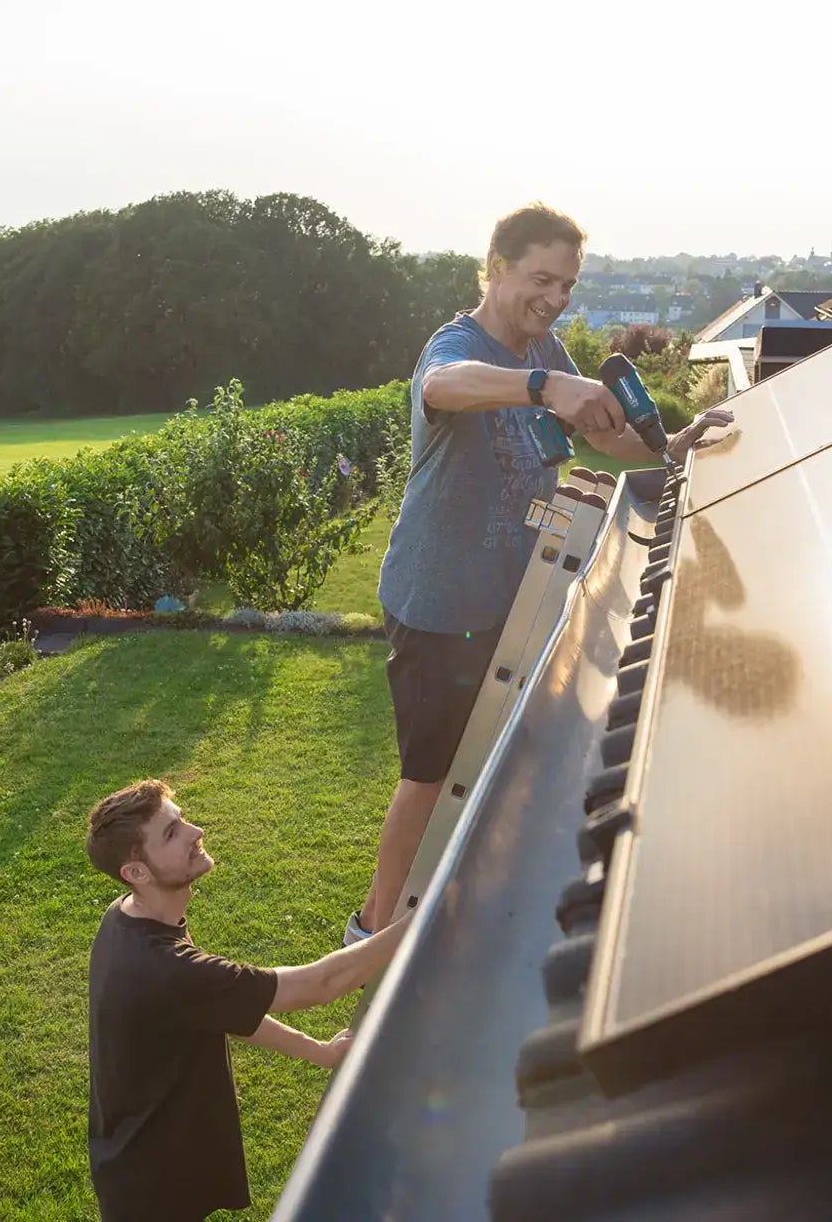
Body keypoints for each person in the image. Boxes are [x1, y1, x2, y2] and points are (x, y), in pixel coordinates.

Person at [349, 203, 733, 940]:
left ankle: (471, 904)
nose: (557, 299)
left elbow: (605, 435)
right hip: (438, 602)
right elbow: (443, 387)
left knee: (503, 761)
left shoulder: (547, 350)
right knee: (430, 777)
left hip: (516, 599)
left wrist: (674, 445)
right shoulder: (458, 345)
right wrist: (541, 389)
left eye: (568, 284)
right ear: (496, 267)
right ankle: (369, 934)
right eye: (542, 279)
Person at [85, 778, 409, 1222]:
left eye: (181, 821)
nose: (196, 831)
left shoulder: (127, 916)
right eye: (172, 834)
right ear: (135, 872)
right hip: (152, 1183)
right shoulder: (170, 970)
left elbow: (226, 1011)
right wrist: (418, 922)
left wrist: (320, 1052)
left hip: (143, 1156)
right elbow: (321, 983)